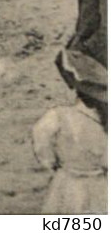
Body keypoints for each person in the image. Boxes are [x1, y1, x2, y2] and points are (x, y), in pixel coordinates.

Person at [31, 54, 108, 214]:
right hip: (101, 185)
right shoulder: (105, 120)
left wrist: (52, 163)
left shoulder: (59, 115)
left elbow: (41, 142)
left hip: (67, 182)